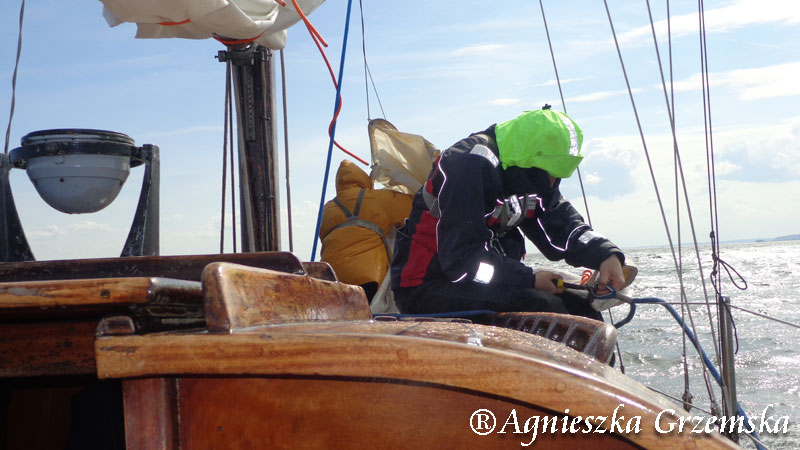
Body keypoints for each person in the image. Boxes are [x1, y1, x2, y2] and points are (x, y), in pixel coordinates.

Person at [389, 106, 625, 321]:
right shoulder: (468, 166)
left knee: (583, 312)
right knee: (548, 310)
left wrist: (606, 255)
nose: (553, 182)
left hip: (479, 282)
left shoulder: (532, 176)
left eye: (558, 175)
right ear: (527, 161)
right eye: (549, 173)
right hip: (426, 286)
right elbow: (462, 262)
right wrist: (529, 279)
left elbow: (560, 222)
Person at [320, 160, 413, 301]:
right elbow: (411, 207)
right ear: (363, 179)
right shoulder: (375, 198)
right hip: (368, 276)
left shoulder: (329, 207)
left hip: (330, 276)